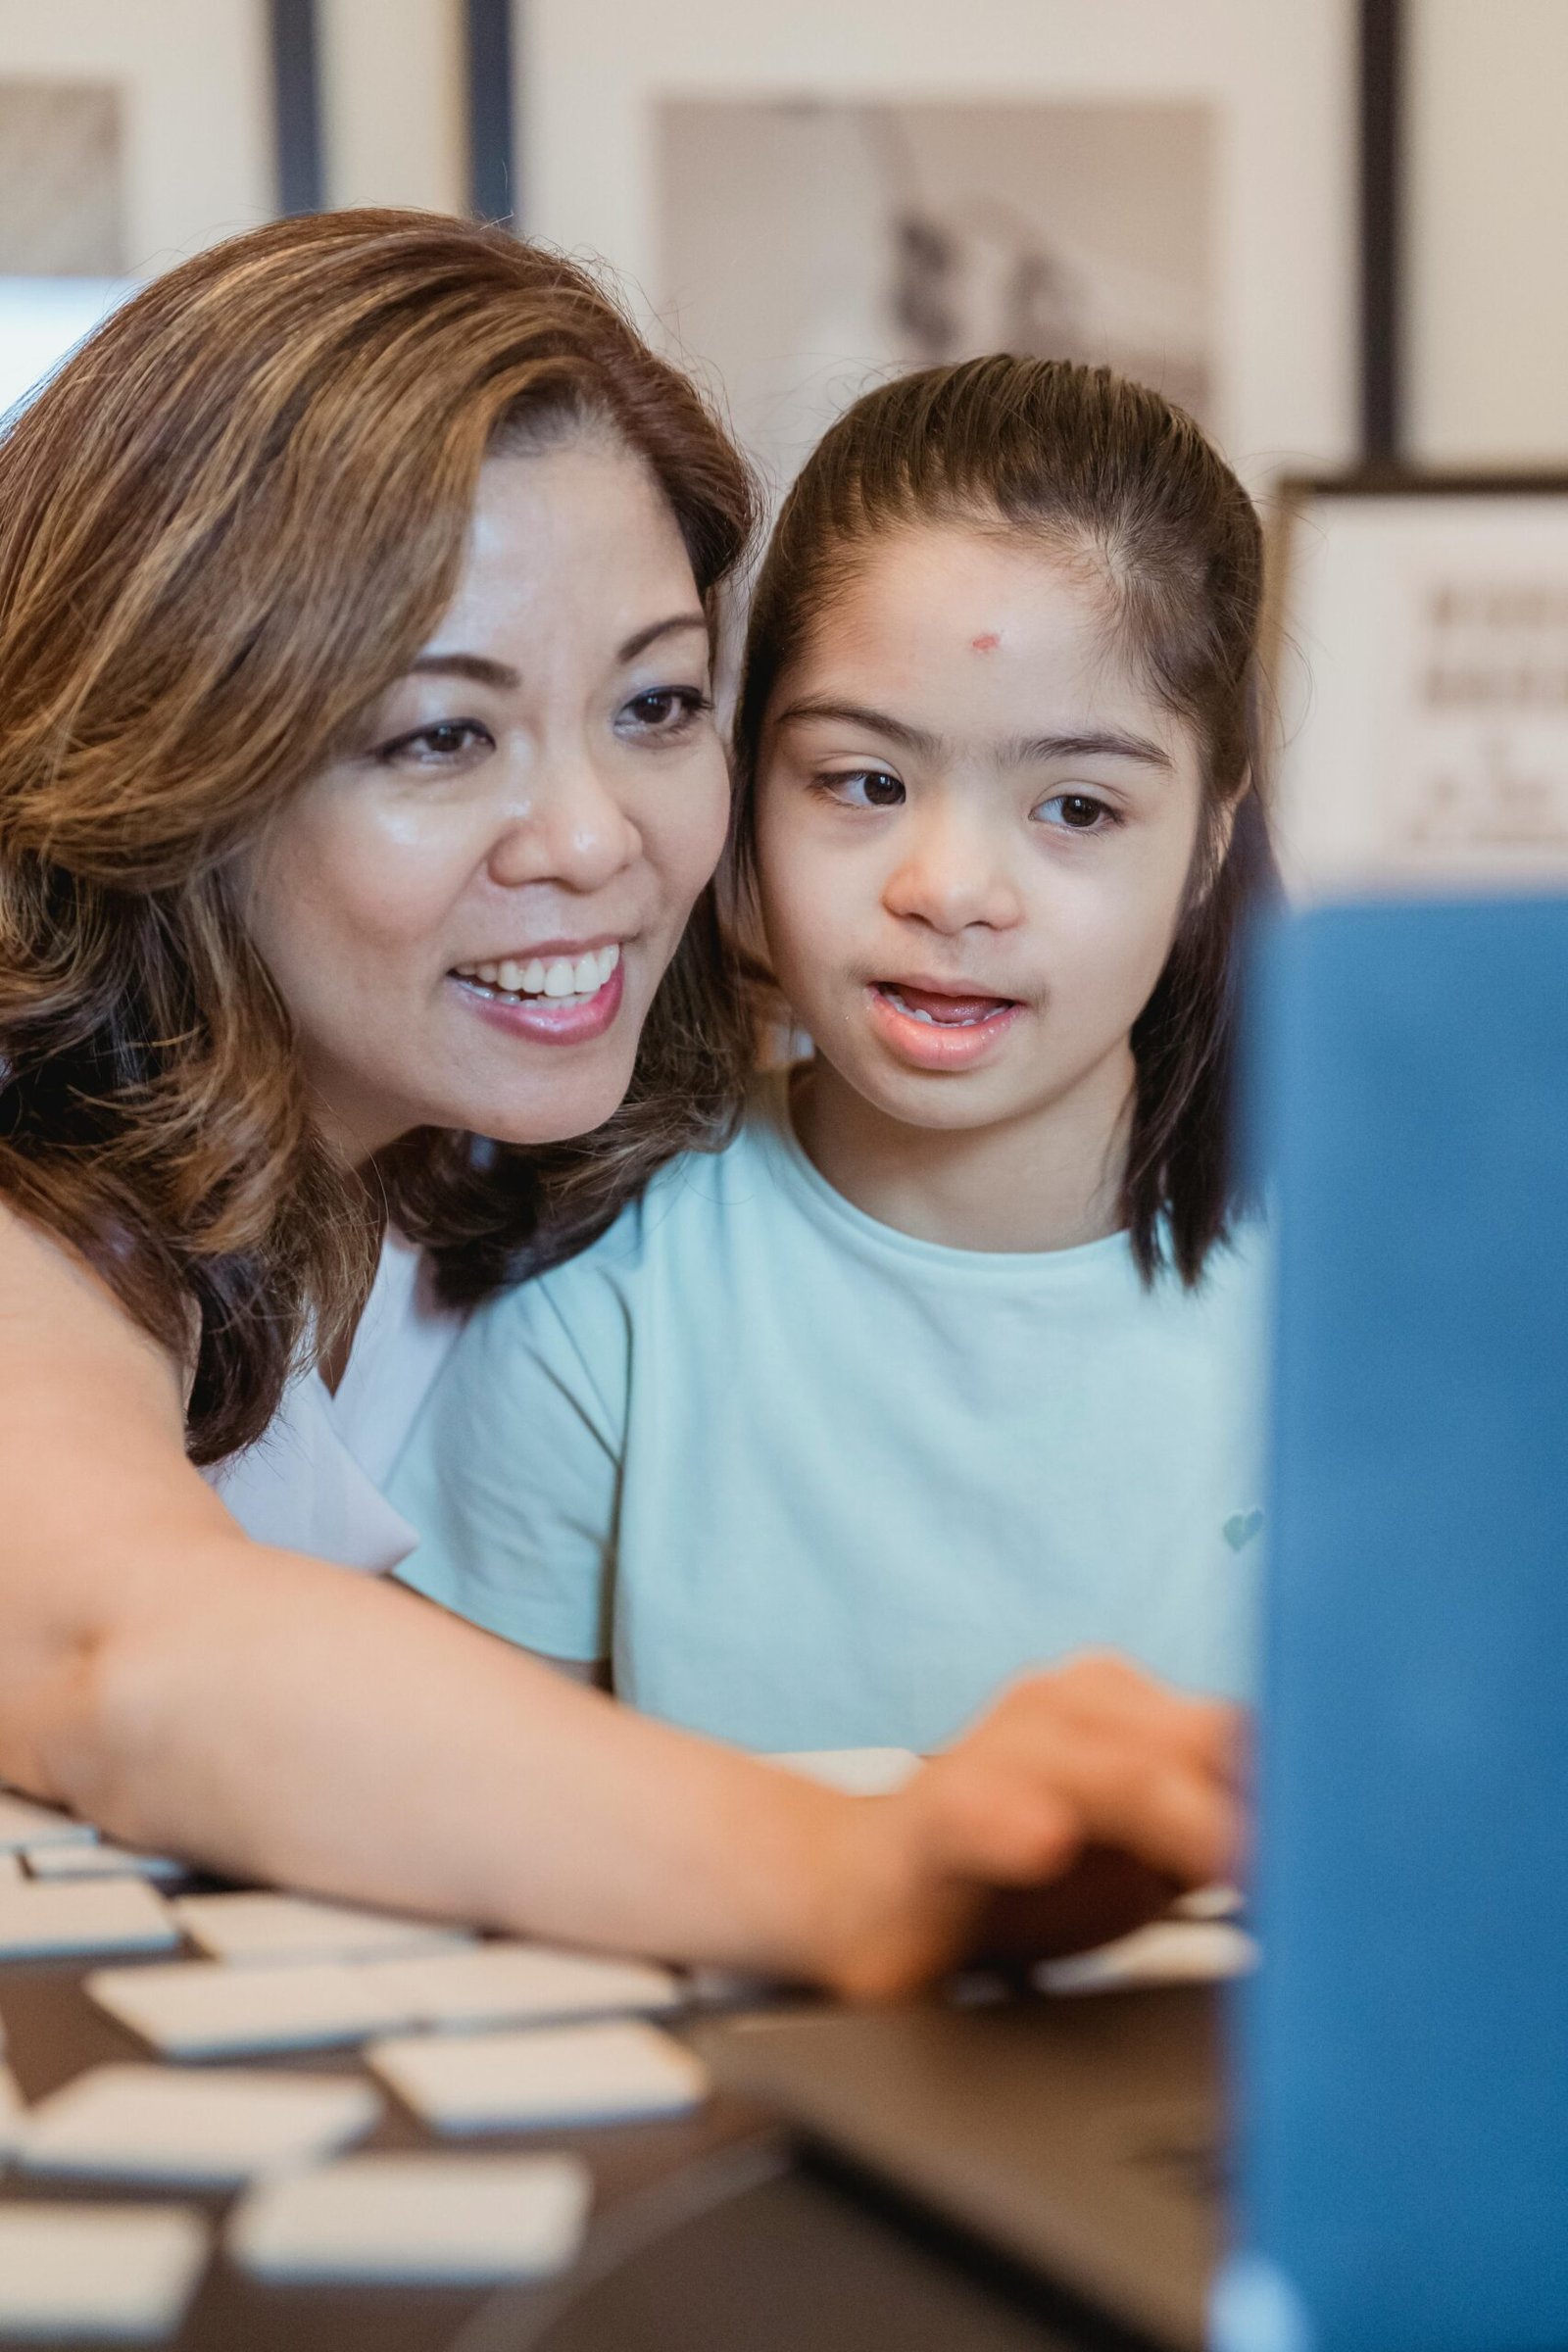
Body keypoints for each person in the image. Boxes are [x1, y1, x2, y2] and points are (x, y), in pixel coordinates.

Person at [0, 217, 1237, 1992]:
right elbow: (125, 1653)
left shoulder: (515, 1147)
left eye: (656, 703)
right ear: (174, 750)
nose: (598, 842)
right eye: (440, 735)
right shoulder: (39, 1196)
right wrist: (854, 1868)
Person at [393, 357, 1276, 1753]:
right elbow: (455, 1820)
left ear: (1210, 837)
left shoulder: (1373, 1306)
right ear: (744, 779)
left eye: (1077, 808)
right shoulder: (603, 1301)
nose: (951, 886)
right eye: (865, 783)